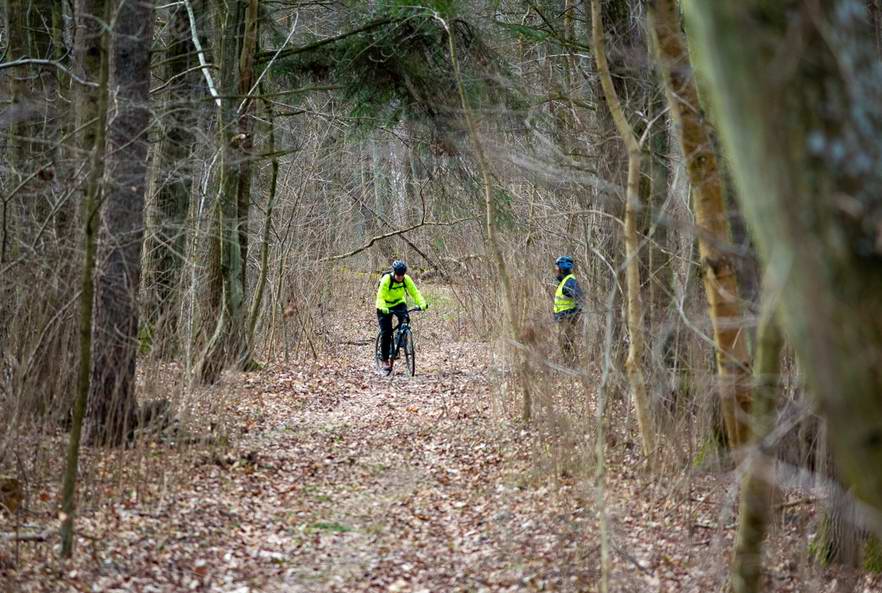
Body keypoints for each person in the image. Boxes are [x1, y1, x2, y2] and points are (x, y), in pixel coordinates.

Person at [376, 260, 427, 374]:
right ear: (394, 273)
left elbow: (415, 292)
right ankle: (385, 359)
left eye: (402, 275)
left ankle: (401, 340)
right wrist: (383, 308)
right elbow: (380, 296)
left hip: (399, 303)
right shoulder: (386, 280)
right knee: (386, 332)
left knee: (405, 321)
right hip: (384, 305)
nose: (400, 277)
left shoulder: (406, 279)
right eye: (398, 275)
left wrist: (422, 303)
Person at [553, 255, 583, 363]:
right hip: (563, 318)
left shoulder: (569, 282)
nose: (555, 271)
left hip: (567, 318)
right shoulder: (565, 281)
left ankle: (572, 365)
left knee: (567, 342)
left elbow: (579, 297)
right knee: (563, 342)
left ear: (562, 269)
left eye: (557, 268)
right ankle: (569, 364)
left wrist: (575, 314)